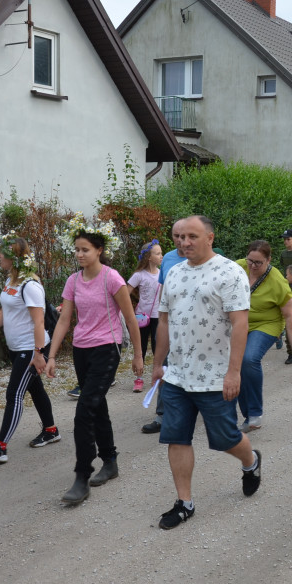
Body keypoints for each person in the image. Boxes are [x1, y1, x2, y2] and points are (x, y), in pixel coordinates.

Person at [150, 215, 261, 530]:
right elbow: (164, 322)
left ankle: (250, 462)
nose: (184, 242)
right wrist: (158, 365)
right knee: (176, 436)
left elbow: (240, 323)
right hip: (178, 375)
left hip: (215, 375)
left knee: (226, 438)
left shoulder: (229, 272)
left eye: (192, 236)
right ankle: (184, 503)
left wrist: (234, 372)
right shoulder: (172, 273)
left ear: (210, 237)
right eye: (179, 237)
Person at [46, 215, 144, 505]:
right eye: (76, 250)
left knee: (84, 411)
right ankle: (110, 461)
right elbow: (64, 320)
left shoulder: (111, 278)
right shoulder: (73, 280)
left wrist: (138, 355)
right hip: (82, 349)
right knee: (97, 406)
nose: (79, 254)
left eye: (85, 249)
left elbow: (130, 318)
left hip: (107, 348)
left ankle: (82, 475)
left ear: (99, 250)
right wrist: (50, 355)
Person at [0, 234, 59, 464]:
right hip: (17, 347)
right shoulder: (11, 282)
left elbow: (39, 322)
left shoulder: (30, 285)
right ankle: (51, 430)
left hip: (29, 349)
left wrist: (39, 353)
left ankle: (0, 446)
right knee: (35, 389)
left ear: (16, 258)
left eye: (4, 253)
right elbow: (6, 310)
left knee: (14, 393)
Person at [235, 240, 292, 432]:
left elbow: (289, 316)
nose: (253, 266)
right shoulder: (238, 267)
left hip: (267, 324)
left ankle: (255, 413)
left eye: (259, 263)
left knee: (249, 358)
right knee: (235, 364)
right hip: (240, 322)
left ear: (269, 260)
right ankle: (248, 416)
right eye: (250, 261)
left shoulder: (277, 281)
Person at [140, 222, 189, 435]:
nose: (180, 240)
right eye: (176, 236)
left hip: (197, 326)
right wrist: (161, 316)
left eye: (184, 235)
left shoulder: (199, 258)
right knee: (165, 366)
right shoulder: (168, 258)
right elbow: (163, 291)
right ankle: (161, 415)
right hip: (171, 322)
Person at [126, 239, 163, 393]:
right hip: (141, 317)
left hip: (158, 317)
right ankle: (138, 379)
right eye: (158, 253)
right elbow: (125, 293)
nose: (162, 256)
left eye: (161, 253)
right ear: (149, 257)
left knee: (158, 348)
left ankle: (157, 377)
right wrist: (128, 310)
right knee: (139, 348)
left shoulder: (163, 274)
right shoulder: (139, 275)